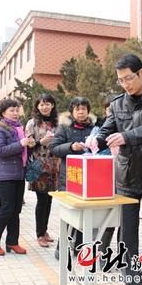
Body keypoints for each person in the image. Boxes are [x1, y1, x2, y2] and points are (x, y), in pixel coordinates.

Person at [87, 54, 142, 285]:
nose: (125, 84)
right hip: (125, 176)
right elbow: (107, 130)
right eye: (120, 80)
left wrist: (127, 136)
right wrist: (96, 139)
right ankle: (132, 282)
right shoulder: (116, 104)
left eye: (128, 78)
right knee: (127, 232)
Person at [0, 99, 33, 256]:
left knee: (15, 210)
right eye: (11, 110)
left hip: (19, 173)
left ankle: (12, 242)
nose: (15, 113)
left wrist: (31, 143)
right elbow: (0, 151)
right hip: (5, 175)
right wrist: (21, 144)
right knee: (6, 209)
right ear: (3, 113)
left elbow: (22, 148)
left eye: (16, 109)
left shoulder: (18, 128)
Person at [49, 97, 95, 259]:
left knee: (85, 216)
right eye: (77, 109)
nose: (80, 112)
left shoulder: (96, 128)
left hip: (90, 179)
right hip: (70, 178)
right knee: (69, 215)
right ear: (72, 112)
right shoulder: (65, 128)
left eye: (83, 108)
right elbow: (53, 147)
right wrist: (71, 147)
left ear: (88, 110)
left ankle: (80, 249)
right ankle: (61, 248)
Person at [25, 93, 59, 248]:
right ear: (37, 107)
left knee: (49, 199)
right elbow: (28, 144)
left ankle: (44, 231)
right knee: (42, 200)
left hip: (54, 166)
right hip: (39, 166)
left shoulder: (58, 123)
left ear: (52, 105)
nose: (45, 107)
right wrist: (41, 141)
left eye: (48, 103)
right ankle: (40, 234)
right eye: (41, 104)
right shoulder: (32, 123)